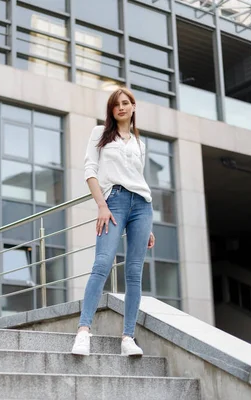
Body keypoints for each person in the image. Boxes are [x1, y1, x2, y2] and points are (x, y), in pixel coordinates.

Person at [71, 87, 156, 357]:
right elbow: (90, 171)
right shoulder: (100, 134)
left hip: (142, 207)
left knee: (134, 273)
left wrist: (148, 226)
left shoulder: (140, 144)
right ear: (111, 110)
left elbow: (139, 181)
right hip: (114, 201)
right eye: (116, 104)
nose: (121, 107)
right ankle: (84, 331)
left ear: (133, 107)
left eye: (125, 103)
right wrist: (101, 205)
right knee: (102, 263)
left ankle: (128, 337)